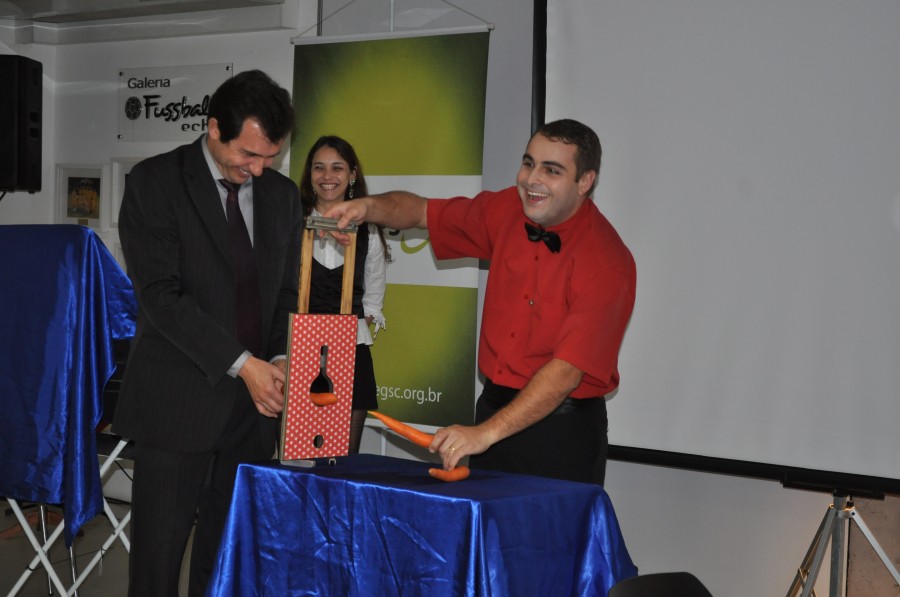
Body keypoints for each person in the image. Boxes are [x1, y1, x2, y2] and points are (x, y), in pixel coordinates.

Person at [325, 119, 636, 485]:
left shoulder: (608, 262)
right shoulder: (505, 209)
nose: (532, 179)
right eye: (528, 163)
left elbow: (565, 373)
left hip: (561, 434)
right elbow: (422, 211)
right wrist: (367, 207)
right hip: (492, 412)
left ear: (585, 182)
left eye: (552, 170)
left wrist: (486, 433)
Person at [113, 70, 302, 596]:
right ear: (214, 128)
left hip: (254, 412)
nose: (258, 170)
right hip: (178, 403)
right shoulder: (155, 182)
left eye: (270, 157)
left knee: (226, 561)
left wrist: (280, 358)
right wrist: (244, 364)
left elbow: (286, 293)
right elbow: (161, 297)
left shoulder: (283, 196)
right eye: (248, 154)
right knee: (157, 563)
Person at [297, 135, 390, 453]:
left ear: (352, 175)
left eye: (337, 167)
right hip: (299, 348)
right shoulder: (292, 224)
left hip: (351, 350)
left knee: (344, 456)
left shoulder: (369, 231)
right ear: (309, 173)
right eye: (319, 167)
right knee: (301, 452)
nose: (327, 176)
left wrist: (340, 339)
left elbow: (373, 299)